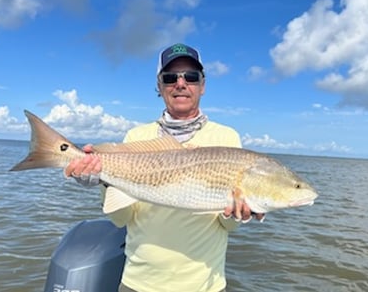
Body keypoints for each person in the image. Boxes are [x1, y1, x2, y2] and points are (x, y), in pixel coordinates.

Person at [65, 43, 263, 292]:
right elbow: (121, 218)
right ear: (159, 87)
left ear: (202, 85)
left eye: (191, 77)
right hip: (139, 283)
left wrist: (236, 214)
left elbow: (227, 226)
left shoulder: (226, 139)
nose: (181, 84)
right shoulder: (137, 136)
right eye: (170, 78)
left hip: (205, 286)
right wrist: (104, 180)